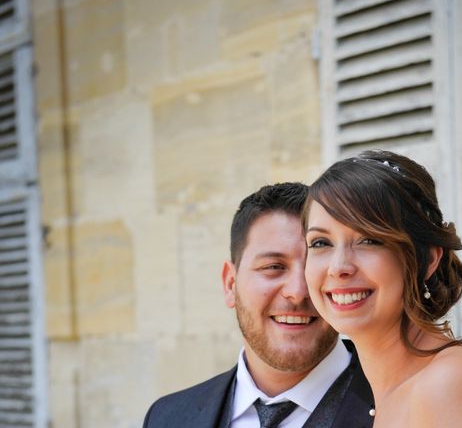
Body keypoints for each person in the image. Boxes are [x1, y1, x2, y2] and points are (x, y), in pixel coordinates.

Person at [304, 150, 462, 427]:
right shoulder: (378, 394)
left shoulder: (448, 383)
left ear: (427, 259)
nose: (338, 267)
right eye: (321, 243)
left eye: (370, 240)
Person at [143, 182, 374, 428]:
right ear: (230, 284)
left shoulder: (401, 408)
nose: (297, 292)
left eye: (313, 267)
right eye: (273, 267)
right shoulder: (166, 417)